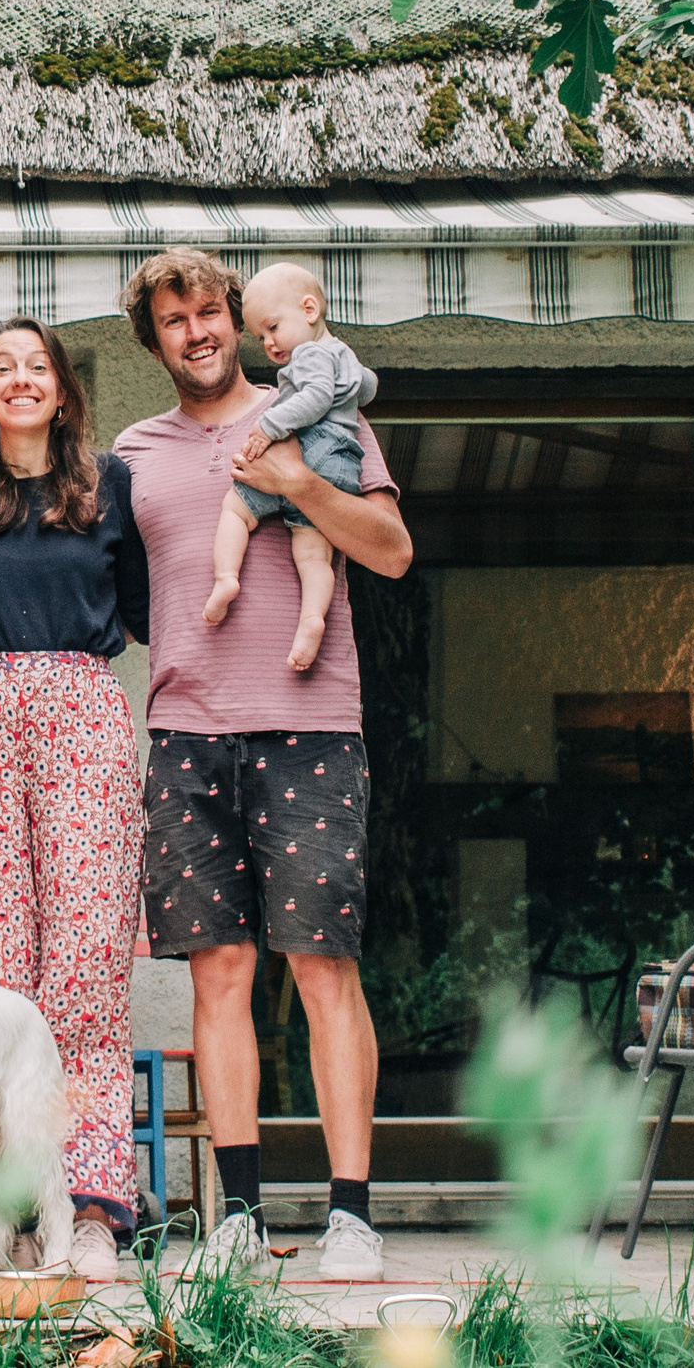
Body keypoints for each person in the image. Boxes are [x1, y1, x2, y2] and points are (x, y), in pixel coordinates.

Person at [111, 248, 412, 1282]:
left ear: (237, 320)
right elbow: (102, 586)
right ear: (151, 339)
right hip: (185, 735)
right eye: (174, 319)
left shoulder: (316, 408)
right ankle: (234, 1217)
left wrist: (291, 482)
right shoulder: (131, 453)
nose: (196, 330)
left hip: (312, 726)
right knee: (219, 975)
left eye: (209, 311)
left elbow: (390, 549)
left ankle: (350, 1216)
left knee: (325, 971)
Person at [0, 316, 151, 1282]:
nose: (19, 378)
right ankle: (0, 1209)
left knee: (86, 965)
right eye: (0, 366)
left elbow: (140, 611)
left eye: (35, 364)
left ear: (61, 384)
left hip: (83, 712)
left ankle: (91, 1206)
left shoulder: (109, 482)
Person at [206, 262, 379, 671]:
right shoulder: (341, 354)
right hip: (341, 464)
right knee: (314, 555)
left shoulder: (311, 354)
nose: (268, 343)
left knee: (236, 509)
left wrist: (269, 425)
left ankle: (226, 578)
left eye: (272, 327)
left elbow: (316, 397)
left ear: (309, 309)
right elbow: (367, 389)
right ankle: (312, 619)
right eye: (262, 335)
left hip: (309, 448)